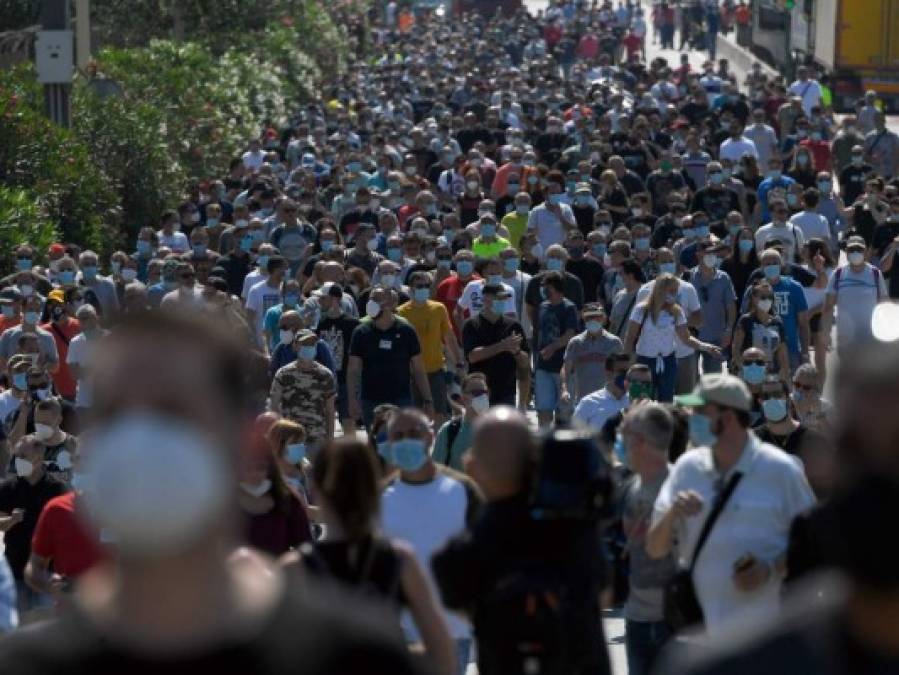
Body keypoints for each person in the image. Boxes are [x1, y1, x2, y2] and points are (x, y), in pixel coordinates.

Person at [0, 311, 422, 675]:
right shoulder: (25, 665)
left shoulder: (353, 658)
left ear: (243, 442)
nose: (141, 439)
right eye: (117, 413)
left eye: (173, 411)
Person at [432, 407, 612, 675]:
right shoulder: (577, 530)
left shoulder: (462, 553)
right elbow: (605, 594)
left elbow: (463, 609)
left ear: (472, 466)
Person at [646, 373, 816, 636]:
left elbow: (813, 545)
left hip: (768, 639)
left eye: (700, 410)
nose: (691, 417)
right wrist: (672, 514)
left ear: (727, 418)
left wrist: (769, 570)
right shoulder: (687, 468)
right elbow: (655, 549)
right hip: (701, 641)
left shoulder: (781, 471)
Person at [284, 437, 456, 675]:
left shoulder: (295, 568)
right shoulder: (400, 559)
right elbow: (442, 651)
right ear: (374, 488)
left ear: (317, 490)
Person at [379, 408, 482, 674]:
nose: (406, 440)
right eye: (398, 435)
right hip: (398, 632)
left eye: (414, 433)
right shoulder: (380, 496)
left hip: (453, 629)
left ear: (430, 436)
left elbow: (487, 551)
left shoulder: (463, 489)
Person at [618, 403, 678, 675]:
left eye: (624, 433)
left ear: (639, 441)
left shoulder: (682, 485)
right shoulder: (629, 488)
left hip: (675, 622)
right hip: (637, 619)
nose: (620, 441)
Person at [623, 273, 722, 403]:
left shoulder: (676, 311)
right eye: (671, 290)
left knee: (667, 400)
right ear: (660, 290)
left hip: (668, 361)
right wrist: (626, 363)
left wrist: (706, 347)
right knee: (642, 398)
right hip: (645, 360)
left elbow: (686, 338)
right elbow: (630, 337)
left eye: (676, 291)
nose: (674, 294)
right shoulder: (641, 310)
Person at [347, 285, 432, 428]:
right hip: (371, 400)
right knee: (376, 444)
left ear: (390, 304)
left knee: (402, 442)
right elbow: (353, 369)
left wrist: (428, 399)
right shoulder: (361, 332)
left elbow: (418, 368)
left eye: (377, 299)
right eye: (371, 298)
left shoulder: (406, 331)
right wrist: (352, 399)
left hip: (401, 399)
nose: (372, 302)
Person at [0, 435, 66, 616]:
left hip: (45, 576)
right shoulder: (9, 488)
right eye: (17, 456)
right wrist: (10, 521)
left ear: (38, 458)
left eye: (23, 456)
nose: (18, 461)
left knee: (45, 630)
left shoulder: (57, 489)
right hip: (16, 573)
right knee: (18, 629)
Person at [397, 272, 461, 428]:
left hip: (436, 369)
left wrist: (458, 362)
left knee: (440, 411)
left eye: (427, 286)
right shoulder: (401, 312)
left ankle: (437, 446)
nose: (424, 289)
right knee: (414, 413)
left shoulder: (439, 308)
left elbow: (449, 337)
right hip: (411, 372)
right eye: (419, 286)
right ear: (411, 289)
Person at [754, 377, 834, 497]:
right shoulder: (751, 442)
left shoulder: (813, 441)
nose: (772, 400)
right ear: (760, 401)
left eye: (777, 395)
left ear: (787, 397)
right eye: (766, 397)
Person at [462, 283, 530, 409]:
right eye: (498, 298)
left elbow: (525, 363)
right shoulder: (471, 325)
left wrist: (516, 352)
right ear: (485, 299)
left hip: (506, 392)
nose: (502, 302)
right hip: (478, 392)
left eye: (504, 299)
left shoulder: (514, 326)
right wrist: (502, 346)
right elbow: (472, 356)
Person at [269, 329, 336, 450]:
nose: (309, 347)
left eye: (312, 344)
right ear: (295, 346)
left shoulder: (325, 375)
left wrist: (330, 441)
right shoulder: (284, 374)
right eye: (304, 344)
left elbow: (330, 411)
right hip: (290, 440)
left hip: (316, 439)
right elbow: (274, 406)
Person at [821, 235, 888, 351]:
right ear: (846, 252)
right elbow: (828, 307)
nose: (855, 253)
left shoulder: (876, 274)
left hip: (871, 339)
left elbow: (884, 305)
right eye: (852, 250)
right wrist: (826, 333)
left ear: (866, 251)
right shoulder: (837, 274)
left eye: (859, 250)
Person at [534, 271, 580, 425]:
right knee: (543, 409)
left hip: (562, 366)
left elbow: (570, 334)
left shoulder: (569, 307)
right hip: (543, 365)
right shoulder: (542, 306)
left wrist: (552, 348)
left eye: (546, 287)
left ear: (554, 287)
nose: (543, 290)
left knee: (564, 411)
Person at [561, 303, 624, 406]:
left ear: (604, 319)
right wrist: (564, 389)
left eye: (597, 317)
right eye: (589, 318)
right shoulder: (575, 342)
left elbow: (622, 370)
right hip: (582, 400)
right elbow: (566, 368)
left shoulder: (614, 342)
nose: (593, 320)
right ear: (584, 319)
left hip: (608, 400)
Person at [732, 281, 790, 380]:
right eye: (763, 297)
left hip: (772, 375)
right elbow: (736, 349)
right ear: (754, 298)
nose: (767, 300)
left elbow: (782, 352)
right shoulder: (745, 320)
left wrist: (785, 372)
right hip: (750, 373)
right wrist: (743, 369)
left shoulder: (777, 322)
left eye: (770, 297)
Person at [433, 373, 490, 472]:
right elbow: (437, 469)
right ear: (463, 397)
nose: (482, 396)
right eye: (476, 392)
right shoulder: (449, 430)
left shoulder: (497, 430)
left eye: (485, 392)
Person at [572, 354, 636, 432]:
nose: (626, 376)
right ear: (608, 373)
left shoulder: (635, 402)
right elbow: (574, 433)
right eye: (622, 371)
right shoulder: (588, 403)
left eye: (629, 372)